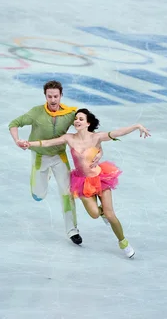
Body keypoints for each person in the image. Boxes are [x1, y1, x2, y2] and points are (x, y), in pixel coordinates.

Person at [18, 108, 151, 258]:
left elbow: (116, 133)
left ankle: (123, 242)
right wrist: (29, 143)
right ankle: (102, 214)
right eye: (76, 119)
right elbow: (49, 142)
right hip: (81, 182)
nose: (77, 121)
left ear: (88, 123)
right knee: (95, 214)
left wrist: (136, 126)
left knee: (110, 213)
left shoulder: (96, 137)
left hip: (101, 178)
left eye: (81, 119)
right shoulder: (69, 138)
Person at [8, 81, 102, 245]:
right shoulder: (36, 113)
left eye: (56, 96)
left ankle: (72, 230)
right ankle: (44, 178)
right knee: (39, 195)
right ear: (45, 96)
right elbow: (13, 124)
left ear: (61, 96)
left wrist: (99, 152)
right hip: (40, 156)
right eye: (50, 96)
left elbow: (90, 131)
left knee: (67, 192)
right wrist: (17, 140)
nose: (53, 100)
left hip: (59, 156)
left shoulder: (70, 113)